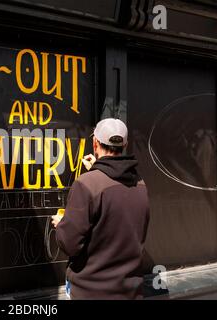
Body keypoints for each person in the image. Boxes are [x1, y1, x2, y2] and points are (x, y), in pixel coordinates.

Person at [52, 118, 150, 299]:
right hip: (130, 292)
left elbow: (69, 243)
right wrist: (96, 172)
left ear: (95, 143)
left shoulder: (86, 184)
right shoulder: (140, 184)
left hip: (91, 292)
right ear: (125, 145)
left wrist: (61, 225)